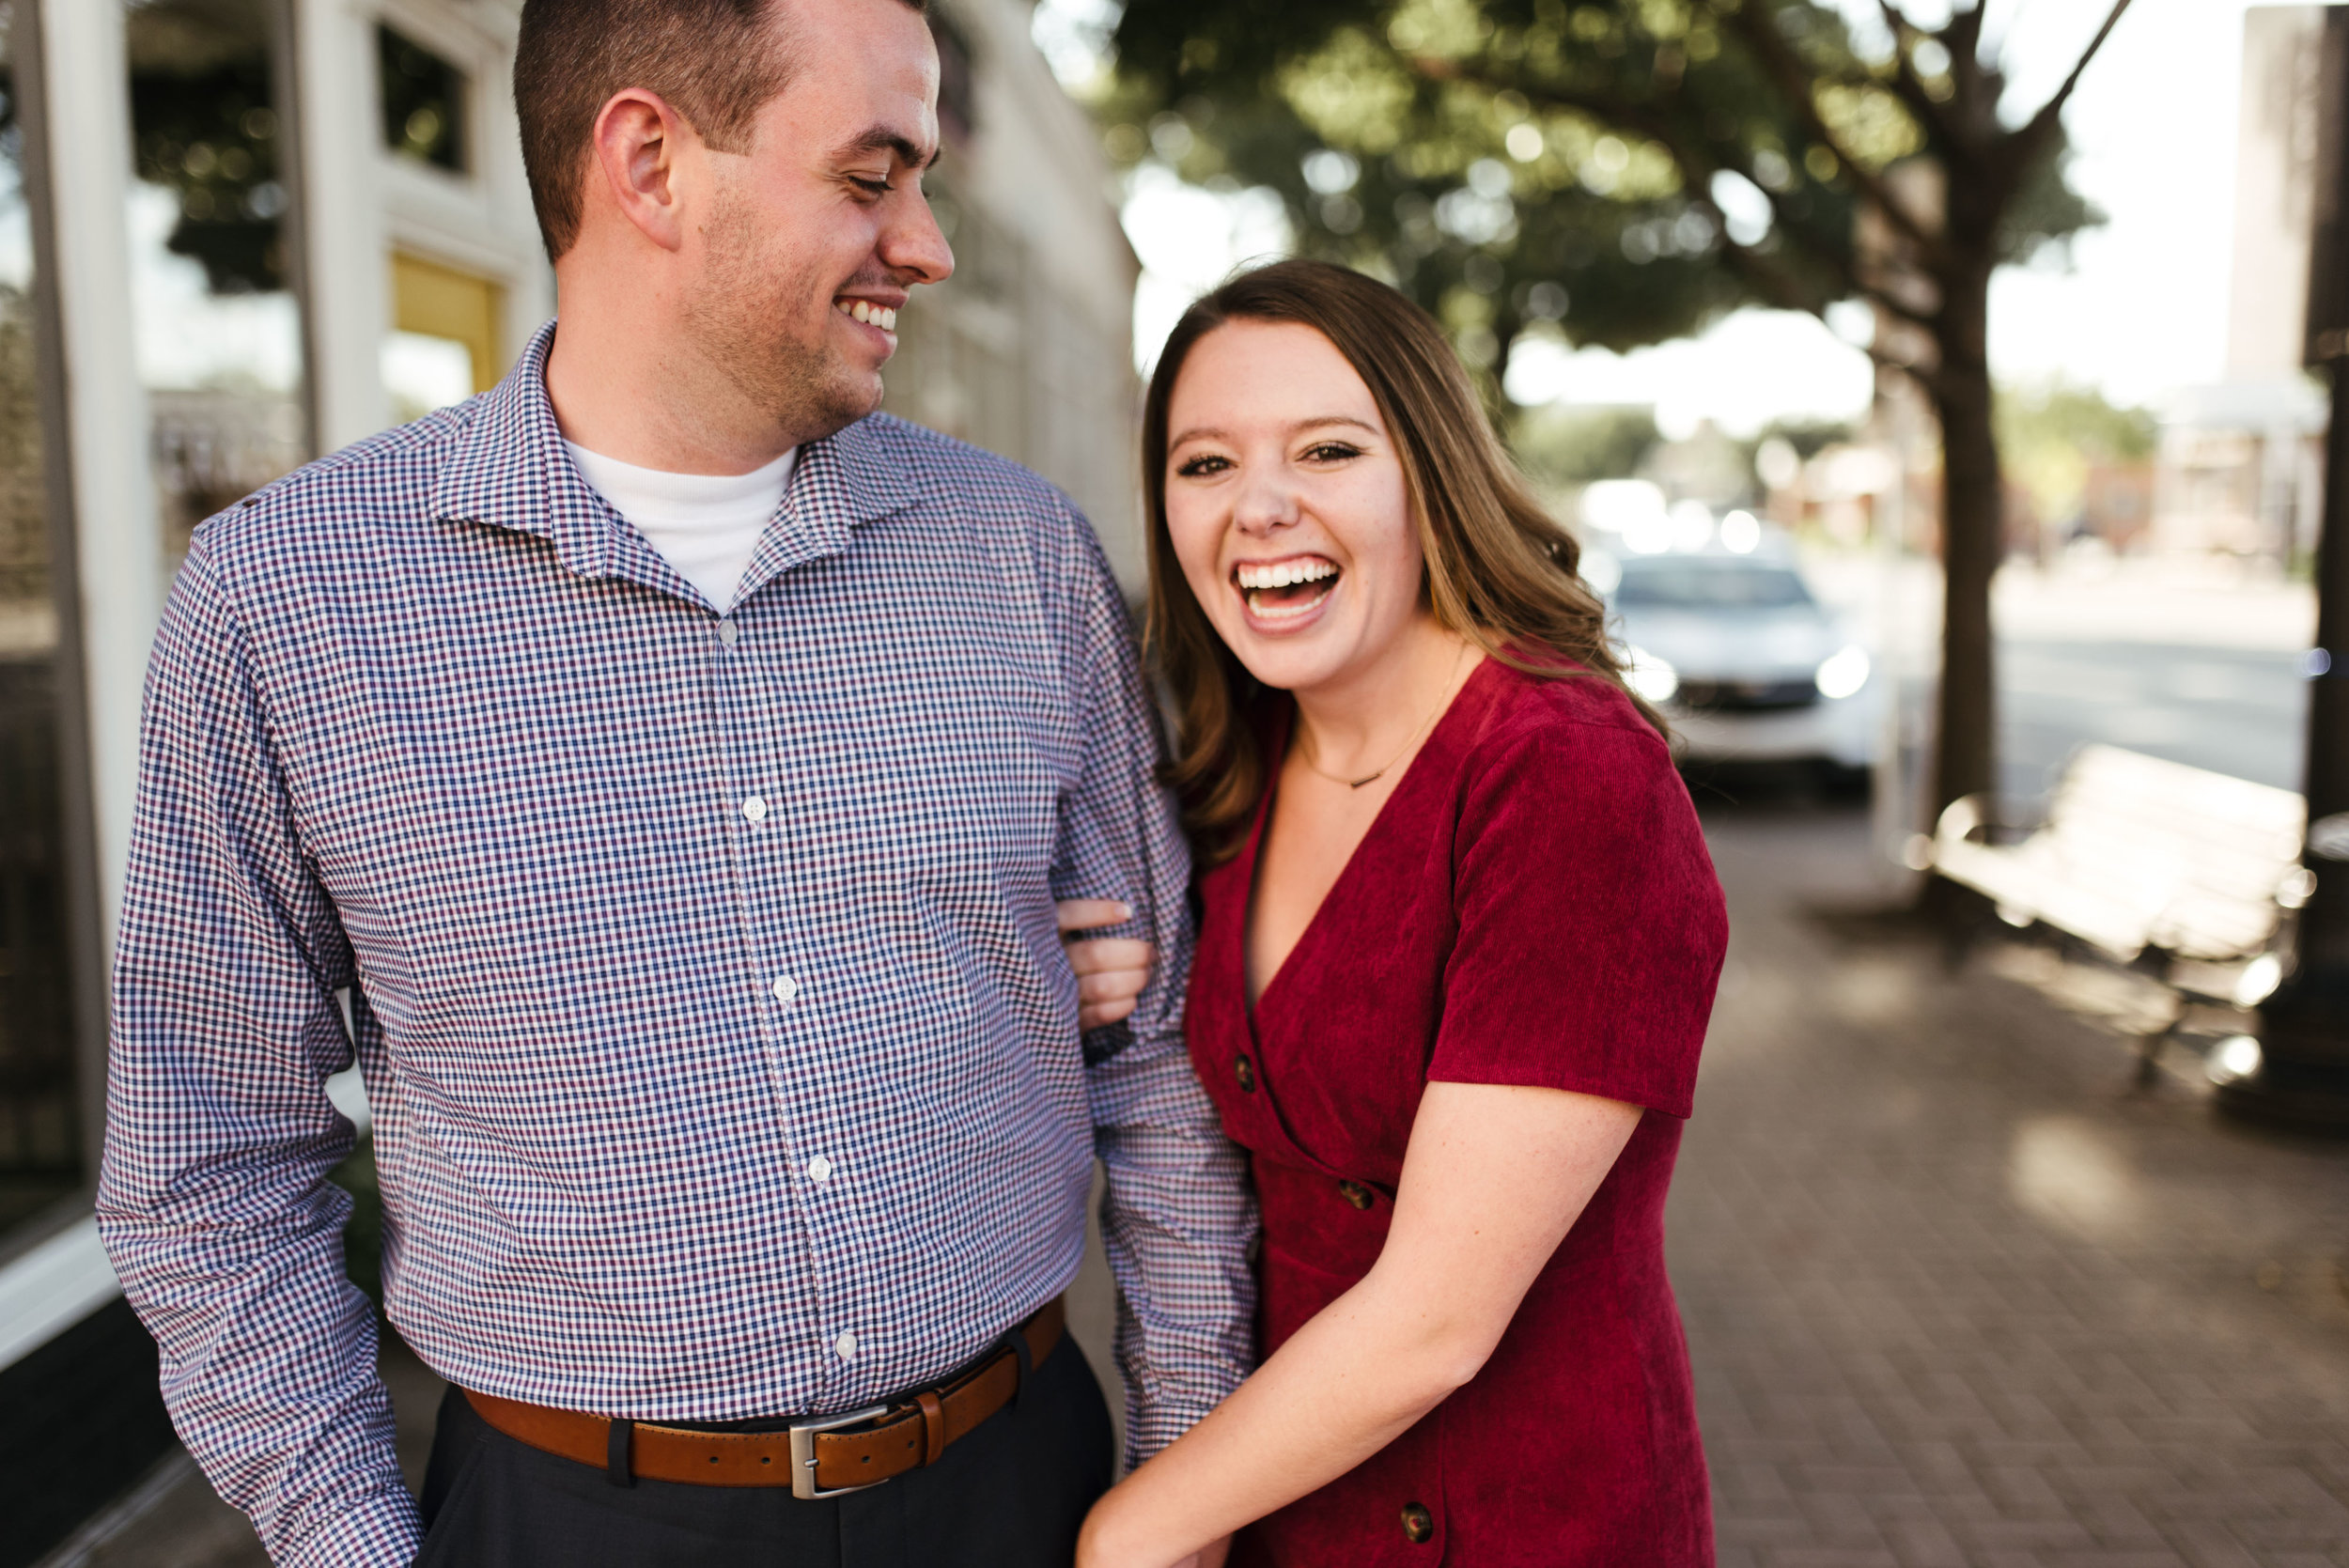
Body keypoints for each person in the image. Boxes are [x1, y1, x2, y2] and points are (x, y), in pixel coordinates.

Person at [95, 1, 1254, 1563]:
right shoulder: (283, 602)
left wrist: (1185, 1478)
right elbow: (207, 1159)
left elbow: (1161, 1059)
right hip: (565, 1518)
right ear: (649, 162)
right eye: (870, 176)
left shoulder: (1019, 554)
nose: (927, 246)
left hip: (1022, 1489)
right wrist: (356, 1544)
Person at [1075, 259, 1729, 1568]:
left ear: (1428, 472)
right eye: (1204, 464)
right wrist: (1092, 971)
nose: (1260, 506)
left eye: (1326, 448)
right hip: (1299, 1509)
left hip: (1530, 1523)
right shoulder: (1238, 761)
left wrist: (1135, 1529)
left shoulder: (1566, 774)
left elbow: (1436, 1313)